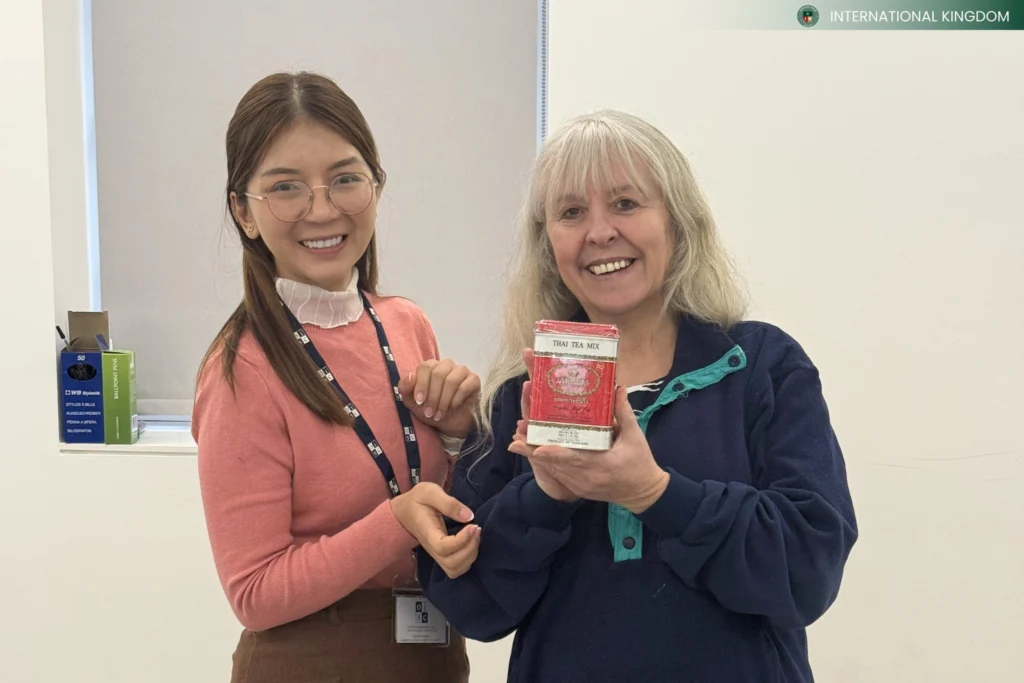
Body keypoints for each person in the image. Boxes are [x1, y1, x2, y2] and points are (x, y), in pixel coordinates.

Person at [416, 109, 858, 682]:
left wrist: (654, 493)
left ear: (678, 222)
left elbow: (807, 573)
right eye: (571, 212)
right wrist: (546, 496)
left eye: (625, 203)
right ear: (548, 246)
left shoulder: (762, 366)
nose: (599, 231)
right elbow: (470, 604)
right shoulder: (518, 394)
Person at [193, 72, 480, 683]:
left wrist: (460, 436)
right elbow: (254, 592)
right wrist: (395, 522)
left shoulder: (407, 324)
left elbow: (443, 507)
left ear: (376, 185)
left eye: (345, 179)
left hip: (432, 652)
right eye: (285, 188)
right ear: (243, 211)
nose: (322, 210)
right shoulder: (242, 368)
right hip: (309, 663)